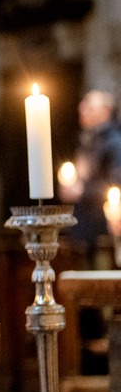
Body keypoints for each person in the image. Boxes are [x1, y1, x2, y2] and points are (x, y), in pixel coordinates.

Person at [60, 90, 121, 263]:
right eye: (83, 105)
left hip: (103, 230)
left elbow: (117, 185)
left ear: (106, 112)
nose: (83, 109)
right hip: (83, 230)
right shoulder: (87, 140)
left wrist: (82, 191)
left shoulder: (114, 142)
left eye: (90, 107)